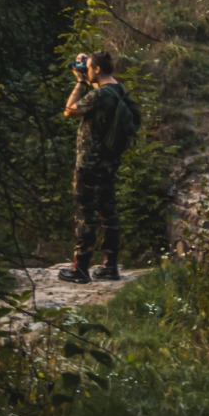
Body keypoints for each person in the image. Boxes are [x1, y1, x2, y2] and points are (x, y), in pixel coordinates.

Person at [60, 49, 133, 283]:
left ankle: (80, 268)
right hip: (109, 163)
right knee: (108, 212)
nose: (87, 70)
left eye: (89, 67)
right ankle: (110, 266)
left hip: (89, 163)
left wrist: (80, 83)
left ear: (97, 69)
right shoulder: (118, 90)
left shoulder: (99, 95)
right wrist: (87, 72)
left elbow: (69, 110)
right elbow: (100, 92)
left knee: (85, 214)